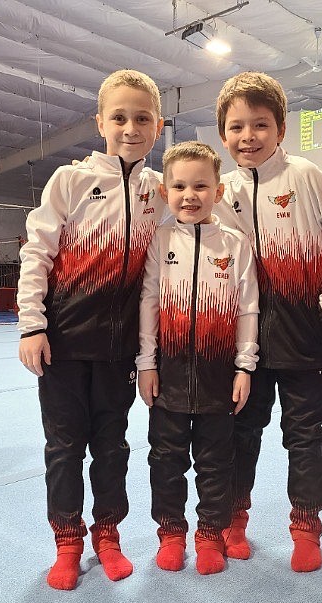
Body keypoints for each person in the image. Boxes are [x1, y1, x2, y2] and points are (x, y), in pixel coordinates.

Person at [212, 71, 322, 572]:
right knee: (241, 434)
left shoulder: (303, 176)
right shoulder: (221, 192)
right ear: (223, 135)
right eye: (236, 127)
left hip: (303, 337)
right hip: (246, 341)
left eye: (260, 125)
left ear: (281, 129)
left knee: (305, 436)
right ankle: (233, 521)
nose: (248, 136)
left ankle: (305, 528)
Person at [17, 69, 164, 590]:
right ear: (100, 122)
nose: (130, 127)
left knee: (113, 445)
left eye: (142, 117)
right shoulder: (71, 181)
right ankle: (68, 540)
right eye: (119, 117)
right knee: (63, 448)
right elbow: (37, 251)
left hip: (119, 351)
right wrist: (32, 325)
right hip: (62, 344)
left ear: (159, 125)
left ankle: (108, 533)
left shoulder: (158, 192)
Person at [136, 141, 259, 575]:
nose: (190, 195)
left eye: (201, 186)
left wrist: (245, 366)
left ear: (219, 191)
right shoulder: (159, 239)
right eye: (180, 186)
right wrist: (146, 362)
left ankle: (210, 533)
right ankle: (171, 532)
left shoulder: (236, 244)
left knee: (215, 461)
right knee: (165, 460)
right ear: (165, 191)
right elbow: (149, 301)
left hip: (217, 373)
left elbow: (248, 308)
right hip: (167, 373)